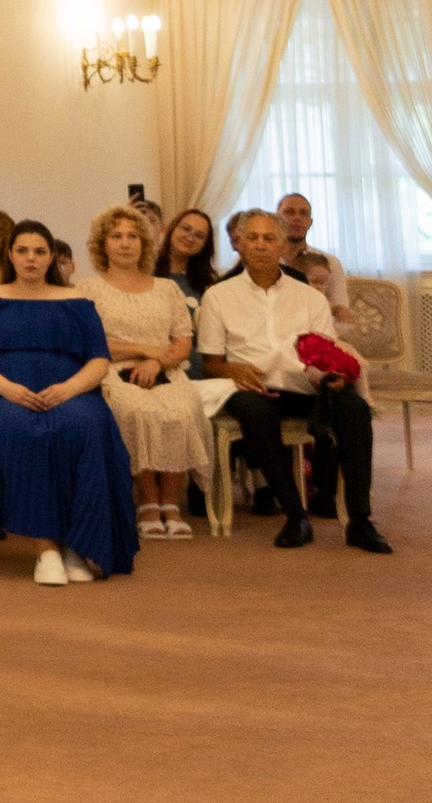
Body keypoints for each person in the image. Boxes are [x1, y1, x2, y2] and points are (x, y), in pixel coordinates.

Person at [0, 218, 138, 584]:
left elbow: (99, 360)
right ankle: (46, 549)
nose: (31, 259)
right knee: (23, 430)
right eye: (22, 251)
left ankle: (75, 544)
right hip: (5, 392)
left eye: (39, 251)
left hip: (70, 390)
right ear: (11, 255)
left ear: (51, 256)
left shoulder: (78, 301)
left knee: (83, 425)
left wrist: (68, 389)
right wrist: (9, 389)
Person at [196, 211, 392, 555]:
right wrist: (235, 371)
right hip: (252, 384)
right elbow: (211, 363)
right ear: (240, 244)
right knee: (254, 411)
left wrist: (333, 376)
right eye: (252, 238)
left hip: (305, 386)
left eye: (269, 238)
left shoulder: (310, 298)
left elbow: (324, 353)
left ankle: (360, 520)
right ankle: (295, 514)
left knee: (354, 408)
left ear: (283, 244)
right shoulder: (218, 296)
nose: (260, 245)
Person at [77, 203, 209, 540]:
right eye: (116, 236)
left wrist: (155, 361)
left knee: (181, 410)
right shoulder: (88, 290)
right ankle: (148, 502)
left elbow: (182, 343)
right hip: (109, 371)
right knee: (139, 410)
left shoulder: (167, 289)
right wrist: (142, 350)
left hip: (166, 370)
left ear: (144, 242)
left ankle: (171, 503)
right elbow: (89, 344)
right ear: (102, 244)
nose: (125, 243)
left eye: (133, 236)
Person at [277, 193, 355, 334]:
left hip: (318, 340)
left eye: (304, 213)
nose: (297, 218)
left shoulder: (330, 263)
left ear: (310, 222)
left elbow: (341, 317)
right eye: (289, 212)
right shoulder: (259, 260)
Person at [155, 206, 221, 302]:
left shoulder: (209, 285)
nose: (190, 238)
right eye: (186, 229)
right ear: (172, 228)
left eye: (199, 236)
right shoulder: (145, 270)